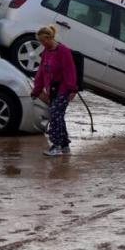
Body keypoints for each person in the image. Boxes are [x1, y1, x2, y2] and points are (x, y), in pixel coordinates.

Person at [31, 25, 77, 156]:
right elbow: (41, 72)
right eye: (40, 41)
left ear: (50, 38)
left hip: (64, 90)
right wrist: (36, 90)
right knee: (59, 117)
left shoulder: (63, 51)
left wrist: (72, 90)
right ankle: (65, 145)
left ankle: (55, 146)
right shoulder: (46, 52)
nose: (42, 44)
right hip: (52, 91)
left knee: (55, 115)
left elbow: (70, 71)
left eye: (43, 41)